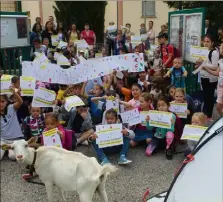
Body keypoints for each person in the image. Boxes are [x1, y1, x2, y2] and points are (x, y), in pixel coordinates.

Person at [198, 34, 220, 120]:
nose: (206, 43)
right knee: (206, 96)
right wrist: (199, 64)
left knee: (209, 97)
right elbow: (202, 64)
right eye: (204, 41)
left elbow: (215, 66)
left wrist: (204, 65)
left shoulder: (214, 52)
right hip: (203, 76)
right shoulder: (202, 51)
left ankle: (209, 115)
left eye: (208, 42)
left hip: (211, 78)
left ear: (212, 42)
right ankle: (204, 114)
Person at [0, 87, 24, 161]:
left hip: (15, 140)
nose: (0, 104)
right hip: (3, 140)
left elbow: (20, 102)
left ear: (6, 102)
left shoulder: (11, 108)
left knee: (13, 156)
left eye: (2, 101)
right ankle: (6, 149)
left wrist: (14, 92)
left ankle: (9, 150)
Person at [202, 43, 223, 116]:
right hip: (220, 86)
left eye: (221, 47)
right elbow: (217, 73)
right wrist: (206, 69)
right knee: (218, 107)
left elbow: (215, 69)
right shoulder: (220, 61)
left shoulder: (214, 53)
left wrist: (206, 66)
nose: (219, 48)